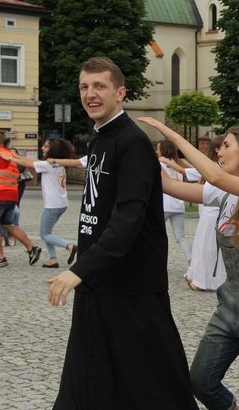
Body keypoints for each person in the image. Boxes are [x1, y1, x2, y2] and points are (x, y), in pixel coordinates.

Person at [47, 57, 196, 408]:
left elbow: (128, 219)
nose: (90, 94)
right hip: (98, 284)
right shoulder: (99, 139)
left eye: (99, 86)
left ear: (120, 92)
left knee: (153, 387)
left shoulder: (132, 143)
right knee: (88, 382)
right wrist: (85, 271)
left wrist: (79, 270)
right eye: (85, 87)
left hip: (132, 290)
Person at [139, 116, 239, 410]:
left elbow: (216, 176)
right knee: (200, 381)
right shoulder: (225, 192)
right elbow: (170, 186)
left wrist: (169, 132)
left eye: (225, 145)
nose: (218, 152)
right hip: (231, 303)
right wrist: (141, 150)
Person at [1, 138, 78, 268]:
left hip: (53, 205)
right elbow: (33, 161)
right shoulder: (57, 164)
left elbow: (28, 163)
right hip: (61, 203)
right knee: (48, 232)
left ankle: (69, 246)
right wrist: (17, 156)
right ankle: (53, 259)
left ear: (53, 150)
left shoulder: (48, 165)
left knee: (45, 234)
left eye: (46, 146)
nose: (42, 148)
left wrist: (10, 159)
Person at [184, 135, 228, 291]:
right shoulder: (214, 167)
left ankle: (208, 280)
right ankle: (201, 279)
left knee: (211, 248)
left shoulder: (220, 166)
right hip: (212, 212)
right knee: (207, 248)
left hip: (215, 212)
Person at [0, 131, 41, 267]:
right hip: (12, 195)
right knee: (8, 225)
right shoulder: (10, 155)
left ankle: (0, 258)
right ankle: (31, 248)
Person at [156, 139, 192, 264]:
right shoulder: (177, 166)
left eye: (158, 149)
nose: (156, 151)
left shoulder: (159, 164)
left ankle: (157, 262)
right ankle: (191, 259)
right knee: (181, 236)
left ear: (163, 150)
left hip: (164, 205)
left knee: (156, 235)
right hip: (178, 206)